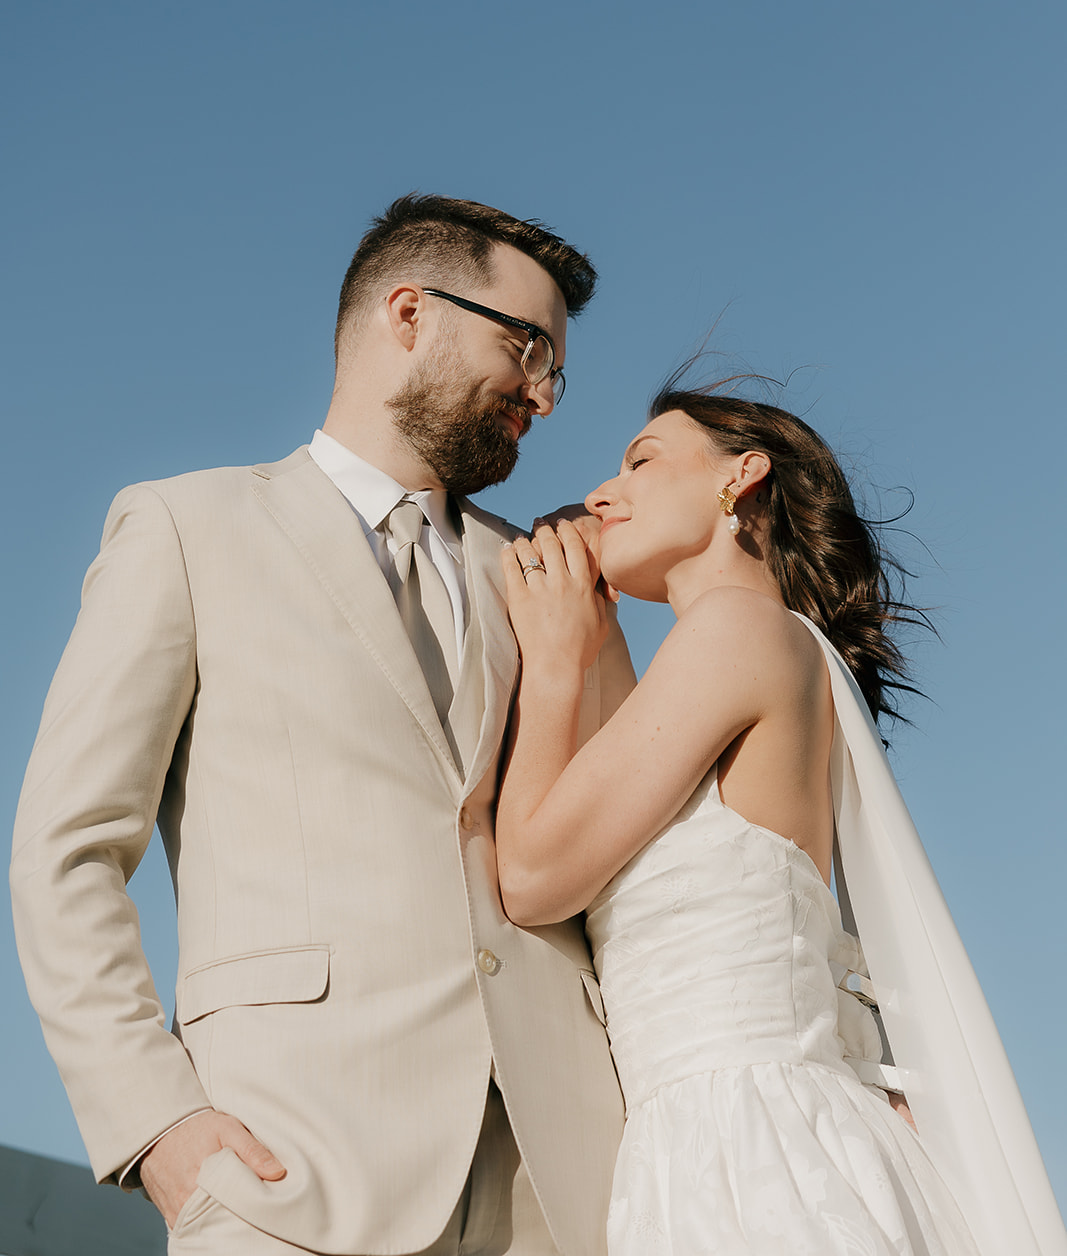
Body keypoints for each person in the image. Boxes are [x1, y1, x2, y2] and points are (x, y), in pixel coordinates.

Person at [10, 195, 636, 1256]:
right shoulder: (187, 526)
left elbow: (622, 838)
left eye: (555, 370)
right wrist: (153, 1117)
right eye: (524, 346)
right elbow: (66, 850)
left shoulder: (542, 574)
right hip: (286, 1168)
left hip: (560, 1183)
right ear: (408, 312)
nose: (542, 390)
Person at [495, 388, 1067, 1256]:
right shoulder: (748, 647)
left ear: (742, 476)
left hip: (750, 1152)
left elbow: (534, 878)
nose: (604, 492)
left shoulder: (733, 627)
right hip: (738, 1139)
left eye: (641, 461)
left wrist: (548, 664)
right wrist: (592, 637)